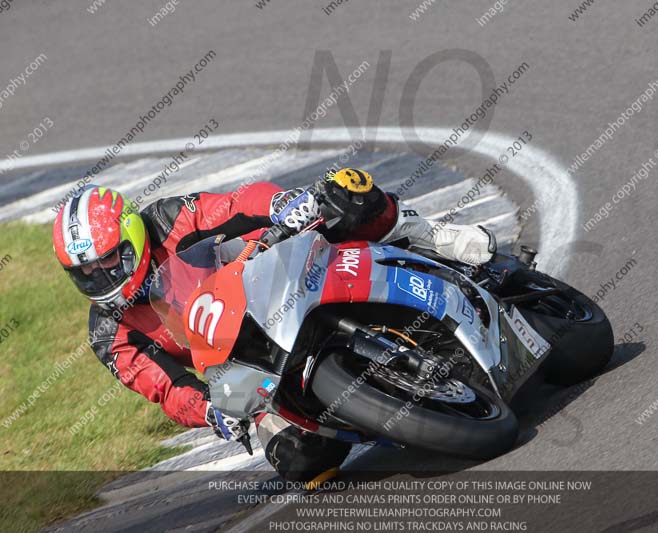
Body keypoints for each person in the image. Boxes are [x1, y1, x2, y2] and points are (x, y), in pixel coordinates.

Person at [52, 167, 495, 481]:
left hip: (271, 274)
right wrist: (210, 411)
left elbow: (231, 205)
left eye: (107, 260)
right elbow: (166, 387)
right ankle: (377, 411)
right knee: (303, 465)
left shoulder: (165, 219)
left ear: (129, 236)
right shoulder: (109, 334)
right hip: (246, 366)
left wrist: (281, 204)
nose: (100, 276)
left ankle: (432, 236)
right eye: (84, 272)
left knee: (344, 192)